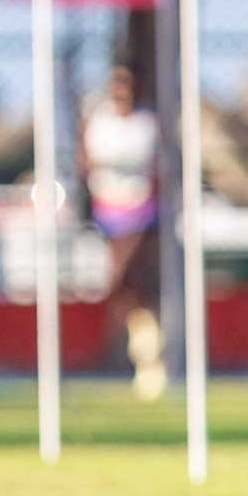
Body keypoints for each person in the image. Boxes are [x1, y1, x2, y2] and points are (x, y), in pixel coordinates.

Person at [80, 64, 165, 401]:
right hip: (107, 208)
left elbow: (147, 163)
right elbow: (89, 162)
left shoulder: (146, 124)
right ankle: (144, 336)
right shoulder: (98, 122)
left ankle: (145, 341)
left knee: (119, 272)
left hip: (140, 210)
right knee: (128, 283)